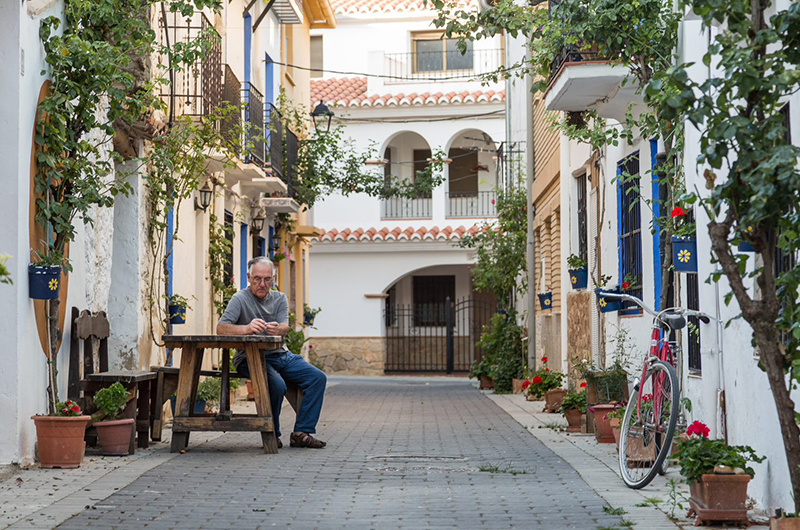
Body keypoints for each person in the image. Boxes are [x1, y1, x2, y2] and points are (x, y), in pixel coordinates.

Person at [217, 256, 327, 449]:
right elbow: (221, 328)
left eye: (267, 279)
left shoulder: (279, 298)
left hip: (280, 355)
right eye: (258, 279)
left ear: (273, 279)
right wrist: (247, 328)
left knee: (317, 377)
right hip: (249, 358)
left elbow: (285, 326)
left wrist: (279, 329)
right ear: (249, 278)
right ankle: (272, 433)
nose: (262, 284)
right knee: (277, 385)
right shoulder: (239, 299)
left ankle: (301, 432)